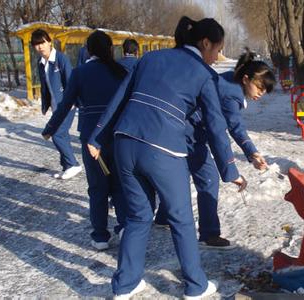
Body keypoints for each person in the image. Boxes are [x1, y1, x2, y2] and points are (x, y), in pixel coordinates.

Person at [87, 16, 247, 299]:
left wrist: (97, 135)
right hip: (163, 149)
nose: (216, 57)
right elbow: (215, 126)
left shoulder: (150, 58)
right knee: (181, 219)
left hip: (124, 143)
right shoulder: (202, 74)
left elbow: (121, 98)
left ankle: (126, 284)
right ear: (205, 42)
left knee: (138, 216)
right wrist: (230, 170)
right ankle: (196, 286)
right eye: (217, 49)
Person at [154, 48, 276, 250]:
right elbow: (232, 128)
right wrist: (237, 165)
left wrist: (251, 153)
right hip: (190, 132)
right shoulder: (232, 95)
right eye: (260, 88)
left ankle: (163, 216)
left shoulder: (230, 79)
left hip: (182, 127)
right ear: (246, 79)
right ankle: (209, 234)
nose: (261, 94)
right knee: (208, 178)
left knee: (180, 174)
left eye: (264, 91)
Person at [41, 30, 128, 251]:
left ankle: (100, 236)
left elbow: (65, 105)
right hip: (118, 136)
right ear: (111, 49)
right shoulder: (121, 72)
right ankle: (125, 226)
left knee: (98, 188)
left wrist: (50, 128)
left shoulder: (80, 72)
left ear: (87, 50)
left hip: (91, 139)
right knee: (120, 183)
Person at [31, 28, 82, 180]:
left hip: (67, 105)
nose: (40, 47)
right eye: (36, 44)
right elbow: (45, 85)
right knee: (63, 134)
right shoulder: (41, 63)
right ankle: (67, 166)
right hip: (56, 107)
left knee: (57, 134)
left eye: (42, 43)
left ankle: (73, 164)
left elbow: (71, 81)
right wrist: (45, 104)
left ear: (49, 42)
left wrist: (72, 101)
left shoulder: (61, 59)